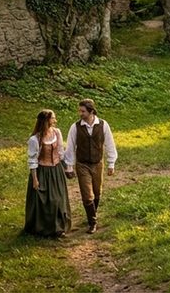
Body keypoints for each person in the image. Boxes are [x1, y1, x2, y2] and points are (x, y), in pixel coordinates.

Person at [64, 98, 117, 234]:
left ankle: (93, 214)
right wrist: (69, 167)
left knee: (97, 192)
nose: (80, 113)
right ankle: (92, 222)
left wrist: (111, 163)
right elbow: (70, 147)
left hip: (98, 163)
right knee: (87, 195)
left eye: (83, 111)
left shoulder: (103, 125)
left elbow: (110, 144)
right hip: (82, 164)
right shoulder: (75, 127)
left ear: (91, 111)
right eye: (79, 111)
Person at [23, 109, 72, 237]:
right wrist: (35, 179)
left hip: (56, 170)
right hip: (42, 172)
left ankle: (59, 228)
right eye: (53, 118)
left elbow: (60, 152)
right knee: (45, 201)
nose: (55, 120)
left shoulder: (57, 132)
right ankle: (44, 229)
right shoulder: (35, 139)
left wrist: (67, 167)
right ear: (46, 120)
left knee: (58, 199)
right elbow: (33, 160)